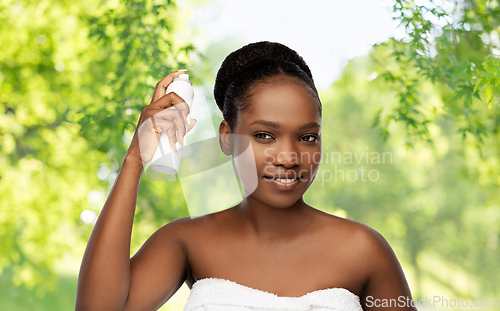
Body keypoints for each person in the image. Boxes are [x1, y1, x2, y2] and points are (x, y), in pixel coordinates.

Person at [76, 41, 418, 311]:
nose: (288, 158)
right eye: (265, 136)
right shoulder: (187, 241)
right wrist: (136, 156)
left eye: (307, 137)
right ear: (227, 137)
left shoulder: (364, 250)